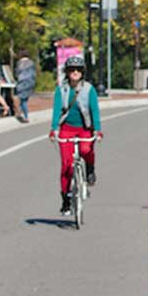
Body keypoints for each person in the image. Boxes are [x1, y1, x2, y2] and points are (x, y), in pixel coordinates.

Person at [49, 56, 103, 216]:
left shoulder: (89, 89)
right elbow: (57, 110)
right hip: (67, 128)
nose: (75, 72)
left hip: (84, 128)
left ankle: (90, 169)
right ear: (67, 72)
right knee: (66, 166)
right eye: (71, 69)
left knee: (86, 149)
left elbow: (95, 110)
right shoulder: (62, 90)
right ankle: (65, 198)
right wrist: (53, 129)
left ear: (82, 72)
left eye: (78, 70)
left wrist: (97, 130)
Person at [14, 52, 37, 123]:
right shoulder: (32, 63)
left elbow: (17, 73)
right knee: (25, 100)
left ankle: (26, 116)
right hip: (31, 82)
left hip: (22, 83)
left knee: (23, 100)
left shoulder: (20, 63)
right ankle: (19, 113)